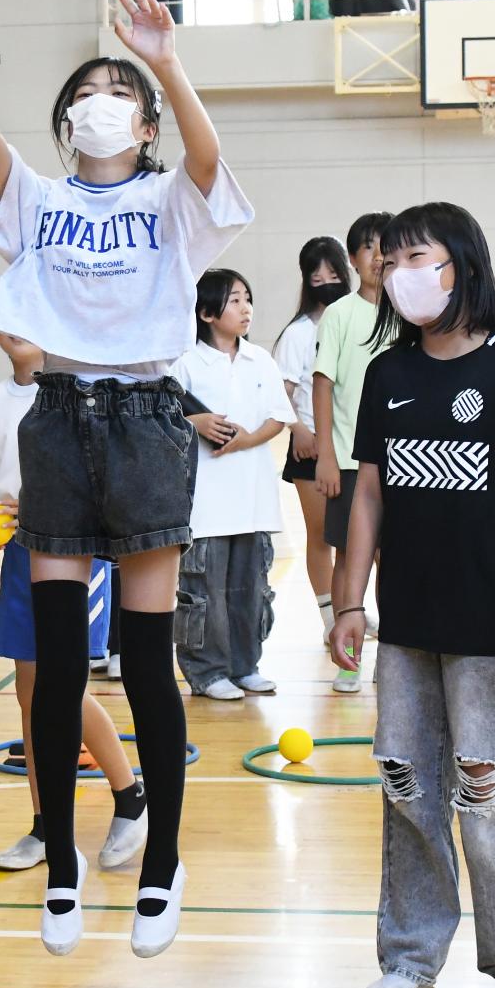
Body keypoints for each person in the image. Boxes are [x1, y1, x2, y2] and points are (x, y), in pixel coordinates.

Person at [0, 0, 251, 957]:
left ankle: (161, 859)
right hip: (59, 419)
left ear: (144, 123)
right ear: (66, 121)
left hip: (149, 421)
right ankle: (65, 864)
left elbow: (209, 157)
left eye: (120, 96)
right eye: (86, 94)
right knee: (57, 663)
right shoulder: (34, 201)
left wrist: (168, 61)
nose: (101, 105)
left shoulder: (170, 201)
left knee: (149, 659)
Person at [329, 203, 495, 988]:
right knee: (406, 789)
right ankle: (411, 954)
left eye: (415, 256)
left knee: (488, 795)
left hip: (493, 633)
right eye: (391, 262)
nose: (399, 274)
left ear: (461, 263)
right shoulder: (388, 374)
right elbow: (367, 497)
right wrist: (349, 601)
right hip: (407, 630)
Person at [0, 326, 148, 873]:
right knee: (29, 694)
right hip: (21, 557)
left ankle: (130, 794)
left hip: (76, 549)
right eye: (10, 320)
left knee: (60, 687)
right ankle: (46, 826)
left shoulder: (81, 394)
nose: (20, 331)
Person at [172, 268, 294, 699]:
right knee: (204, 591)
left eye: (248, 298)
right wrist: (196, 422)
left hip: (253, 498)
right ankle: (207, 672)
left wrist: (247, 440)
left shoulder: (260, 359)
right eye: (235, 300)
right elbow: (159, 419)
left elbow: (279, 417)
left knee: (251, 589)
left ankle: (246, 665)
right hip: (203, 504)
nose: (246, 309)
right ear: (206, 312)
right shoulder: (183, 363)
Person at [312, 211, 393, 692]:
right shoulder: (340, 314)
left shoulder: (410, 312)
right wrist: (325, 454)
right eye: (369, 248)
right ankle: (349, 659)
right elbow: (324, 385)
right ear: (353, 259)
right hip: (347, 458)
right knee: (348, 556)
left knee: (394, 558)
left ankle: (395, 658)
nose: (379, 257)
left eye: (387, 248)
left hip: (400, 460)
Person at [272, 236, 353, 664]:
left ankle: (353, 610)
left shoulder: (355, 321)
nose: (324, 279)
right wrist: (298, 429)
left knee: (354, 537)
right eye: (314, 272)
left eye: (331, 270)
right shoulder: (299, 332)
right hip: (309, 449)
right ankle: (329, 616)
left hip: (351, 449)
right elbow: (278, 391)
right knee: (322, 535)